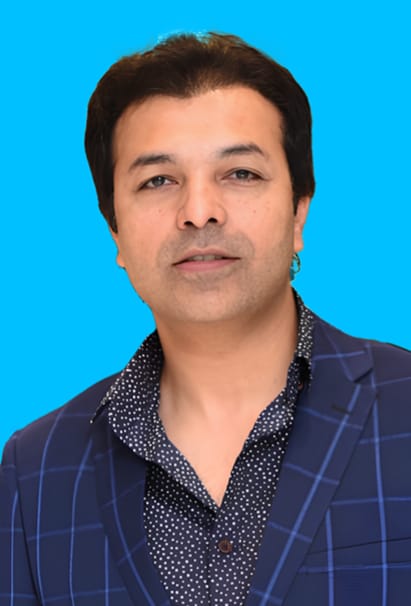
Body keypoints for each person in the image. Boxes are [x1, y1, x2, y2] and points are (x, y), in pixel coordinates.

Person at [1, 32, 410, 606]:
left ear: (299, 211)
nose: (199, 212)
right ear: (115, 230)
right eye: (158, 181)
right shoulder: (36, 469)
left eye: (240, 173)